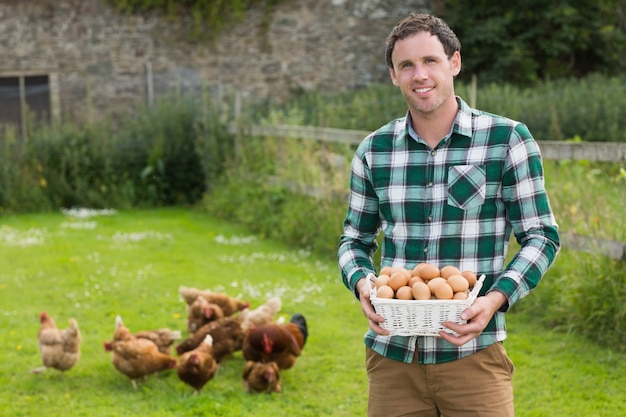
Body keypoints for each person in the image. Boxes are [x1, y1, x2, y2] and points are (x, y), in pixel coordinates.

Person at [337, 13, 560, 417]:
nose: (419, 75)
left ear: (454, 63)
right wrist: (361, 285)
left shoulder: (506, 139)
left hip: (474, 355)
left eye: (430, 61)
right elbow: (354, 240)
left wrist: (496, 298)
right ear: (393, 75)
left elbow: (542, 236)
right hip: (393, 360)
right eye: (406, 65)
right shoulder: (374, 150)